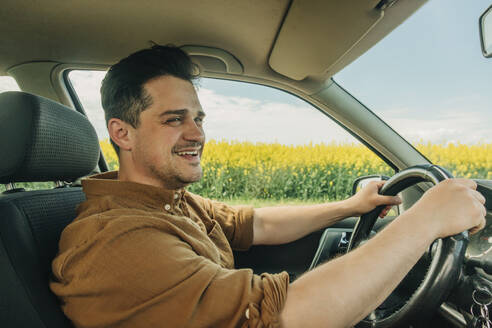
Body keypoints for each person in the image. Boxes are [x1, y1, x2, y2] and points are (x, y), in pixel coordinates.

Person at [50, 45, 486, 328]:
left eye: (198, 118)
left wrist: (350, 206)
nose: (196, 134)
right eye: (173, 119)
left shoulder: (165, 201)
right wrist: (423, 222)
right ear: (122, 134)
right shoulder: (115, 240)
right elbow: (284, 317)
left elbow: (252, 223)